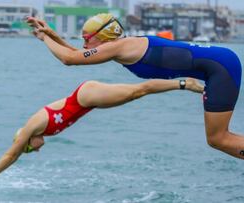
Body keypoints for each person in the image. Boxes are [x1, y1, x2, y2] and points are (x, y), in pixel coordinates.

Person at [26, 13, 244, 159]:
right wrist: (51, 34)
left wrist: (45, 39)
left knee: (218, 139)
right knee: (218, 138)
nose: (83, 45)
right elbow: (77, 55)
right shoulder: (119, 47)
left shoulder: (119, 47)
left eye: (86, 39)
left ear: (102, 37)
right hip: (219, 65)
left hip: (219, 68)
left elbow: (69, 59)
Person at [0, 78, 204, 192]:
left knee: (137, 91)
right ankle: (181, 83)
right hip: (89, 102)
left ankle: (185, 83)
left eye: (32, 149)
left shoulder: (29, 128)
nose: (37, 149)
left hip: (85, 96)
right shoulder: (40, 132)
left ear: (25, 141)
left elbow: (11, 155)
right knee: (136, 93)